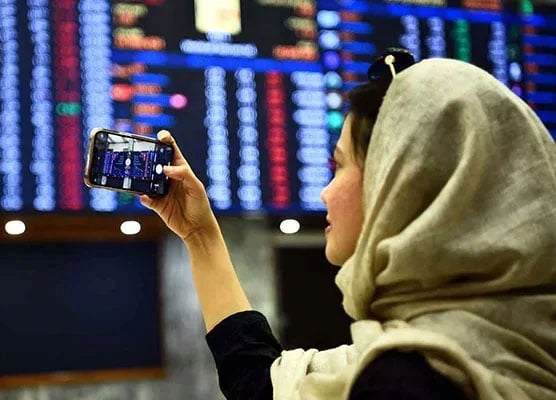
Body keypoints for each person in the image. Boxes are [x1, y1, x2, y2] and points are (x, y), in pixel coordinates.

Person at [140, 53, 556, 399]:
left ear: (401, 184)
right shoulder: (526, 343)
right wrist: (200, 236)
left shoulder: (410, 380)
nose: (324, 192)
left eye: (338, 165)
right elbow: (259, 383)